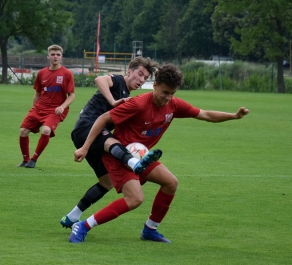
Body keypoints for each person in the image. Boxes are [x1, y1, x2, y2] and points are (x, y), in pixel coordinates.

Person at [68, 64, 249, 243]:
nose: (168, 98)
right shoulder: (137, 104)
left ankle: (150, 230)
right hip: (119, 157)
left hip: (142, 158)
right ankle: (83, 225)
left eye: (172, 93)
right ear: (155, 86)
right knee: (135, 199)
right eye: (165, 92)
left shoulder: (174, 105)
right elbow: (103, 118)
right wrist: (85, 147)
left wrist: (234, 116)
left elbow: (205, 114)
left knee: (170, 182)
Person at [60, 57, 162, 229]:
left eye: (145, 78)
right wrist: (113, 102)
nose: (142, 79)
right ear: (129, 71)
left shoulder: (128, 97)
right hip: (86, 128)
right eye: (139, 74)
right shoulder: (118, 80)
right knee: (110, 141)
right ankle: (135, 163)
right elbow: (99, 79)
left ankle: (72, 216)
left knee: (106, 182)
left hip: (93, 136)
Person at [17, 44, 75, 168]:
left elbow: (71, 95)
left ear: (61, 57)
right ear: (48, 56)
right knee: (23, 131)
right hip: (40, 107)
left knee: (46, 130)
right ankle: (25, 160)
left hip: (55, 109)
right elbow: (37, 94)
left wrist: (63, 107)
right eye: (53, 54)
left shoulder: (67, 74)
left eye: (58, 55)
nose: (55, 57)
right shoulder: (41, 73)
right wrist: (33, 108)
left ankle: (34, 159)